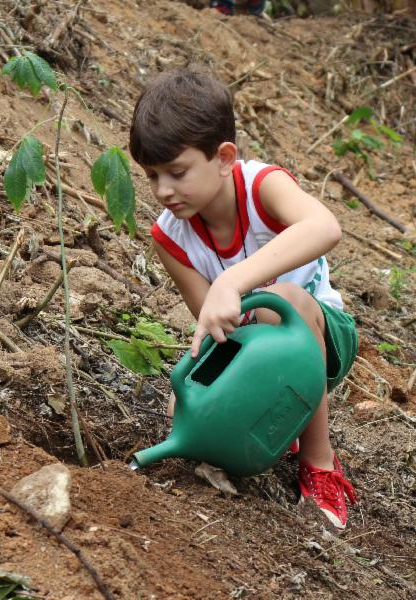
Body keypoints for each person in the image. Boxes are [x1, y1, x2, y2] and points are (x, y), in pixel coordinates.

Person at [129, 69, 359, 529]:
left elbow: (325, 227)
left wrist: (232, 282)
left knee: (285, 301)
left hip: (322, 337)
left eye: (177, 172)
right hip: (254, 345)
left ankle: (320, 466)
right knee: (185, 412)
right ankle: (283, 420)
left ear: (223, 157)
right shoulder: (169, 236)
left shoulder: (261, 187)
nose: (163, 191)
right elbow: (219, 331)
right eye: (152, 176)